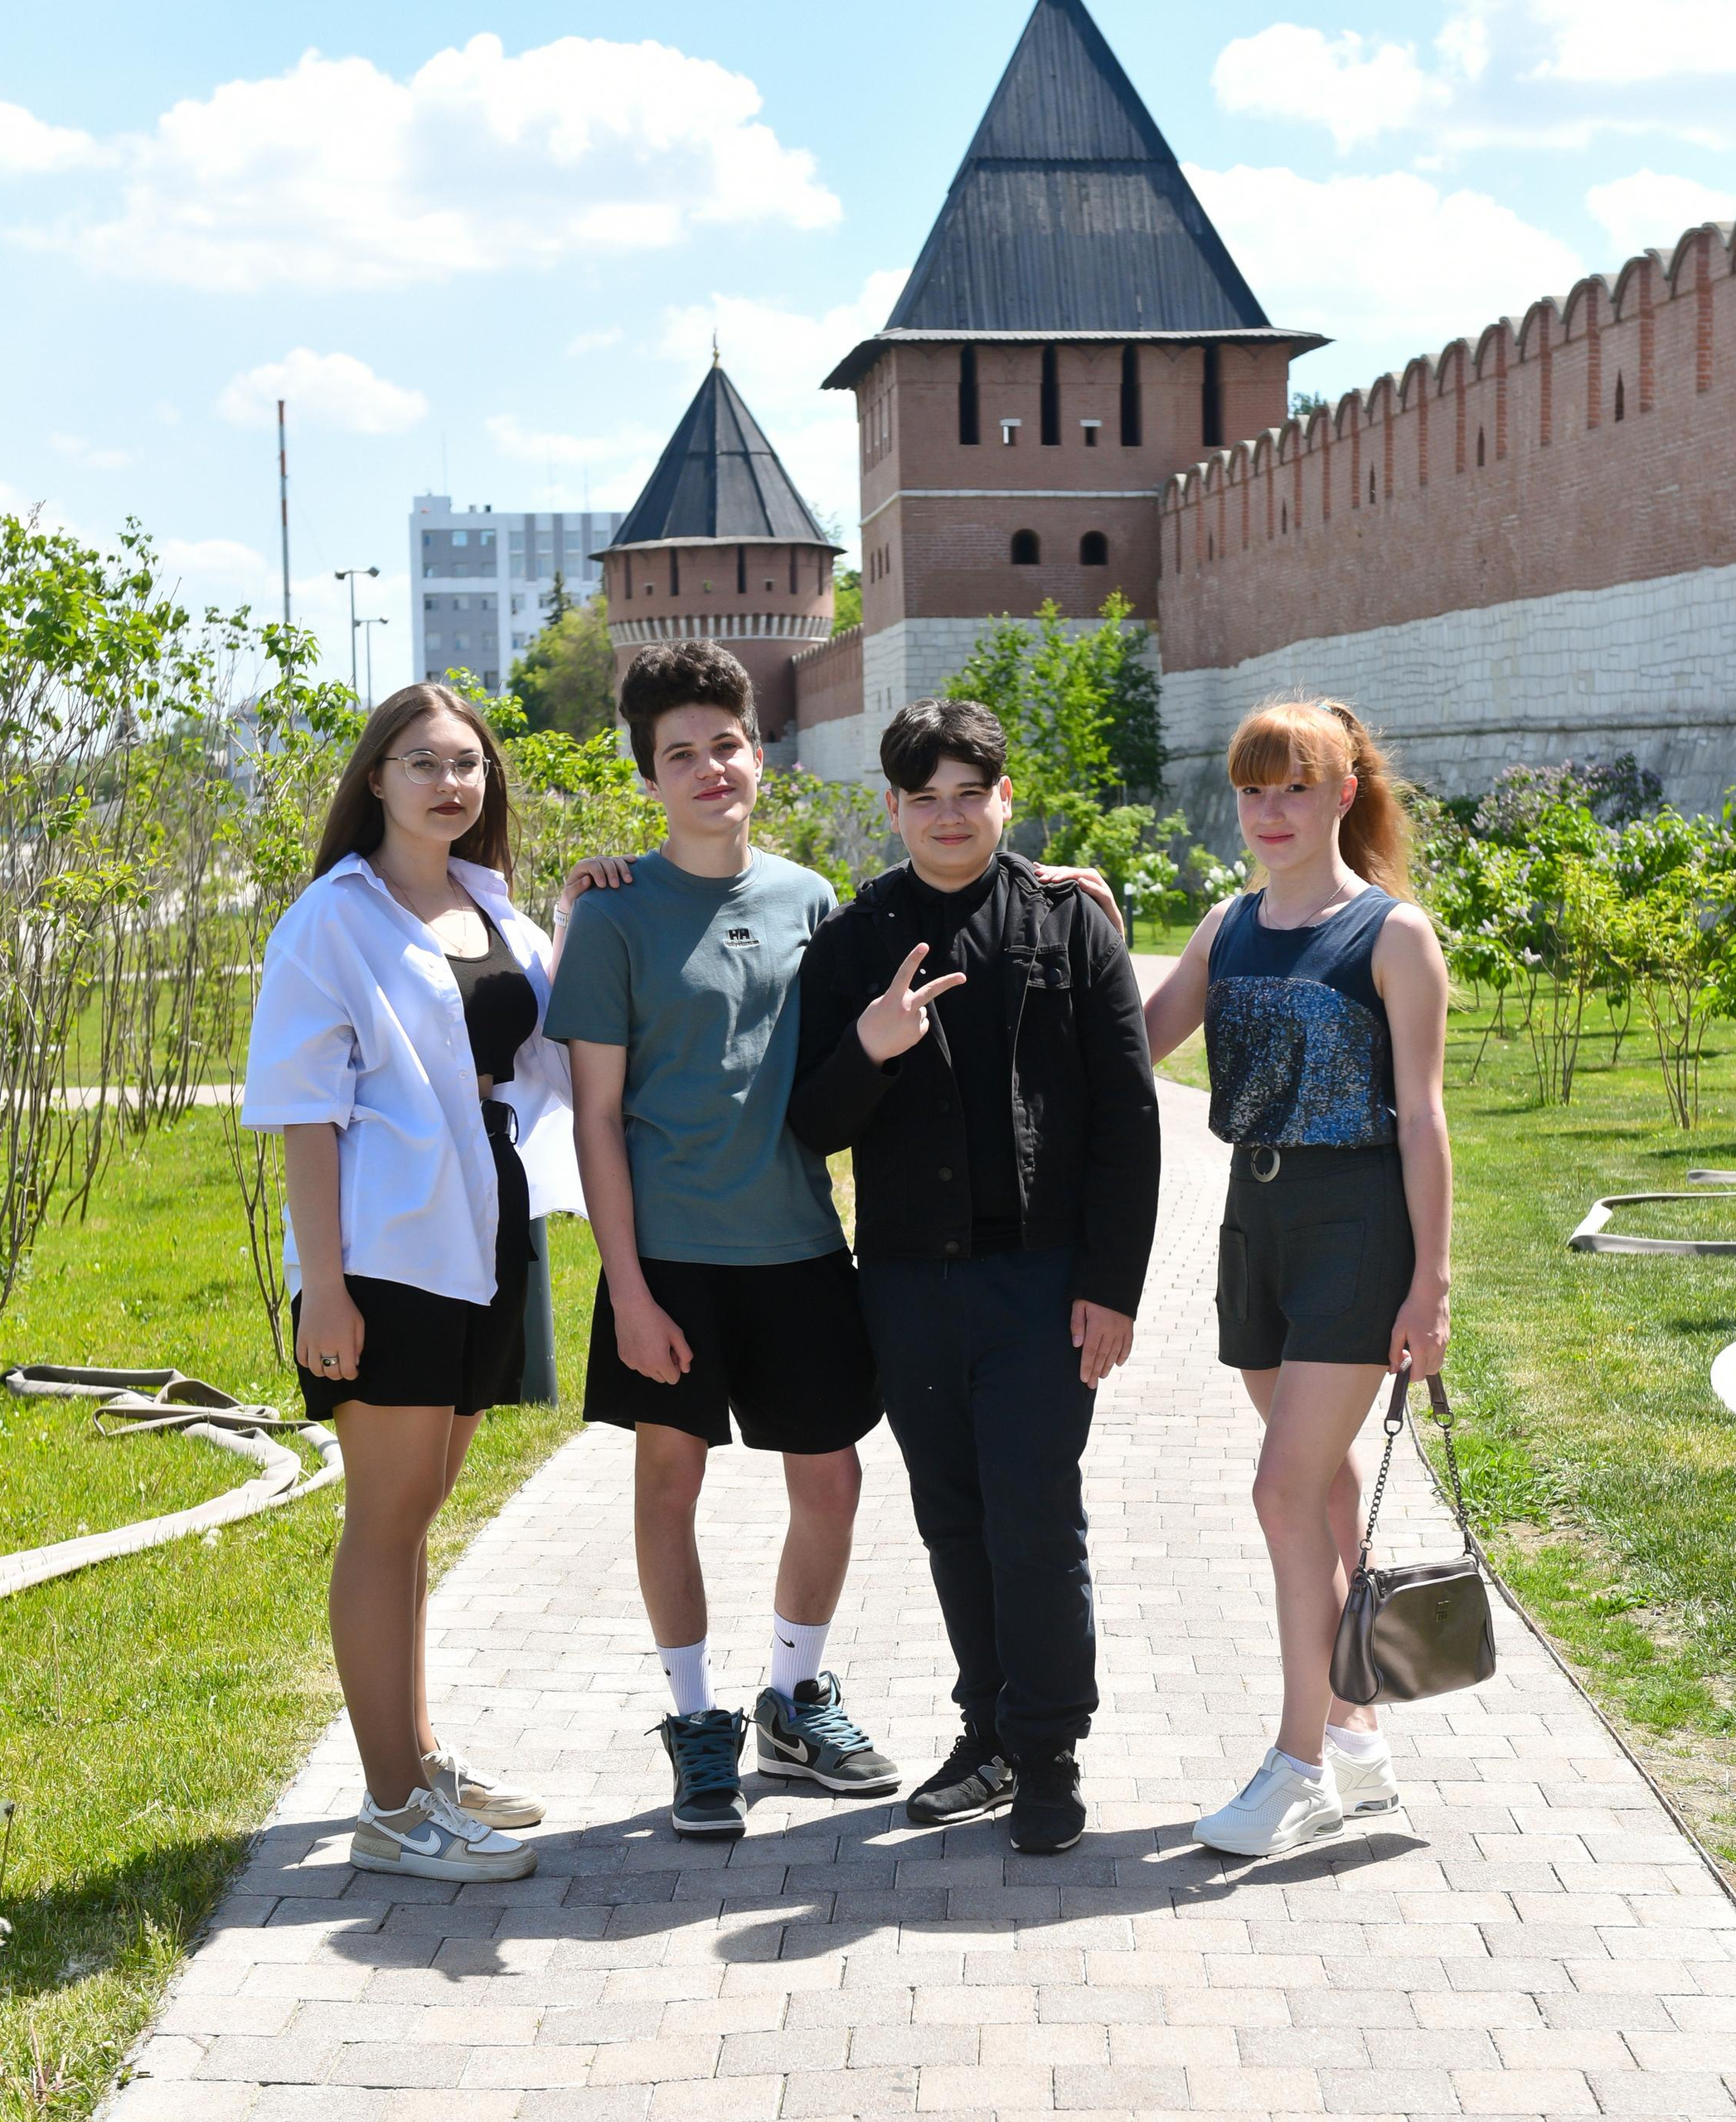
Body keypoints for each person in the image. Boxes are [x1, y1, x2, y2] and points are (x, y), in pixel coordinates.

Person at [243, 681, 631, 1883]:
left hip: (486, 1229)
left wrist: (575, 920)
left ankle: (415, 1760)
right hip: (387, 1251)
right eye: (422, 762)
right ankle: (391, 1809)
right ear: (376, 779)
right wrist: (325, 1289)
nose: (449, 783)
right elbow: (304, 1115)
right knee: (386, 1518)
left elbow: (546, 1047)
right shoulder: (333, 918)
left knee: (422, 1514)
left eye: (467, 763)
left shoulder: (486, 904)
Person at [790, 698, 1161, 1854]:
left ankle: (1047, 1753)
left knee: (1034, 1516)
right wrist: (870, 1049)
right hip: (909, 1284)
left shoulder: (1069, 921)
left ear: (1005, 799)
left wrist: (1113, 1286)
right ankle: (988, 1733)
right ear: (893, 807)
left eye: (970, 795)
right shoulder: (856, 939)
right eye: (925, 798)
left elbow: (1129, 1117)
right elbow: (810, 1121)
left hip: (1044, 1285)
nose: (948, 817)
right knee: (952, 1516)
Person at [546, 641, 899, 1840]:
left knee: (834, 1482)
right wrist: (629, 1291)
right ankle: (697, 1722)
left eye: (727, 746)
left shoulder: (811, 900)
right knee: (669, 1484)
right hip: (673, 1262)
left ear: (761, 754)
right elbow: (596, 1118)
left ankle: (794, 1702)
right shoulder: (614, 914)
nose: (710, 769)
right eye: (680, 754)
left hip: (799, 1243)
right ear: (649, 776)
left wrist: (1058, 880)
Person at [1142, 697, 1452, 1859]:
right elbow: (1134, 1041)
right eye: (1252, 789)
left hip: (1355, 1226)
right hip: (1255, 1222)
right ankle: (1361, 1732)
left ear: (1343, 794)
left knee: (1282, 1490)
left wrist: (1431, 1287)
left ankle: (1299, 1765)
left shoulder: (1391, 935)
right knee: (1319, 1485)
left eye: (1295, 787)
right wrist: (1080, 910)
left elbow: (1424, 1120)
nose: (1270, 811)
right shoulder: (1227, 925)